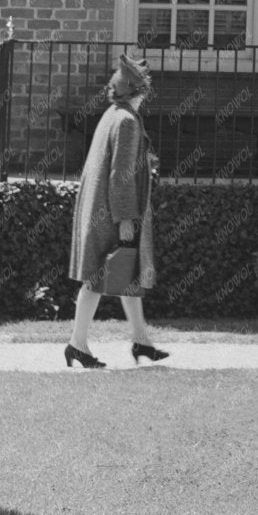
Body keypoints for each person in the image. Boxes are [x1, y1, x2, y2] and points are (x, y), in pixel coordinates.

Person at [65, 52, 168, 368]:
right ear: (140, 92)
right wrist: (124, 218)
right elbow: (120, 175)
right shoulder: (126, 121)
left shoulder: (113, 114)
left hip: (98, 208)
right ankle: (77, 345)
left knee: (126, 272)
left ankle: (141, 341)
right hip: (111, 214)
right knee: (97, 278)